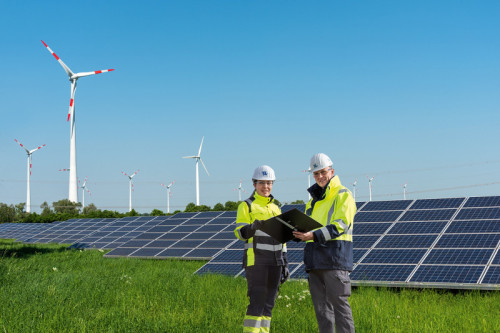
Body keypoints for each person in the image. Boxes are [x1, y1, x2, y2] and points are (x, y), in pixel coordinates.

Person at [292, 153, 356, 333]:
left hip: (335, 260)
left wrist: (312, 235)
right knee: (322, 311)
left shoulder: (343, 194)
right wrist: (296, 233)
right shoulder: (312, 201)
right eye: (316, 174)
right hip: (314, 261)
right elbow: (307, 228)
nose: (320, 177)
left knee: (340, 308)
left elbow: (341, 225)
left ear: (332, 171)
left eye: (323, 172)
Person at [234, 165, 289, 333]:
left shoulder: (276, 207)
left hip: (275, 262)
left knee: (269, 304)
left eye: (269, 183)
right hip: (256, 261)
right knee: (257, 303)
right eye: (262, 183)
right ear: (254, 184)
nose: (266, 187)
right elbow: (240, 233)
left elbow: (282, 239)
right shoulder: (247, 206)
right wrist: (252, 227)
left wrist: (285, 263)